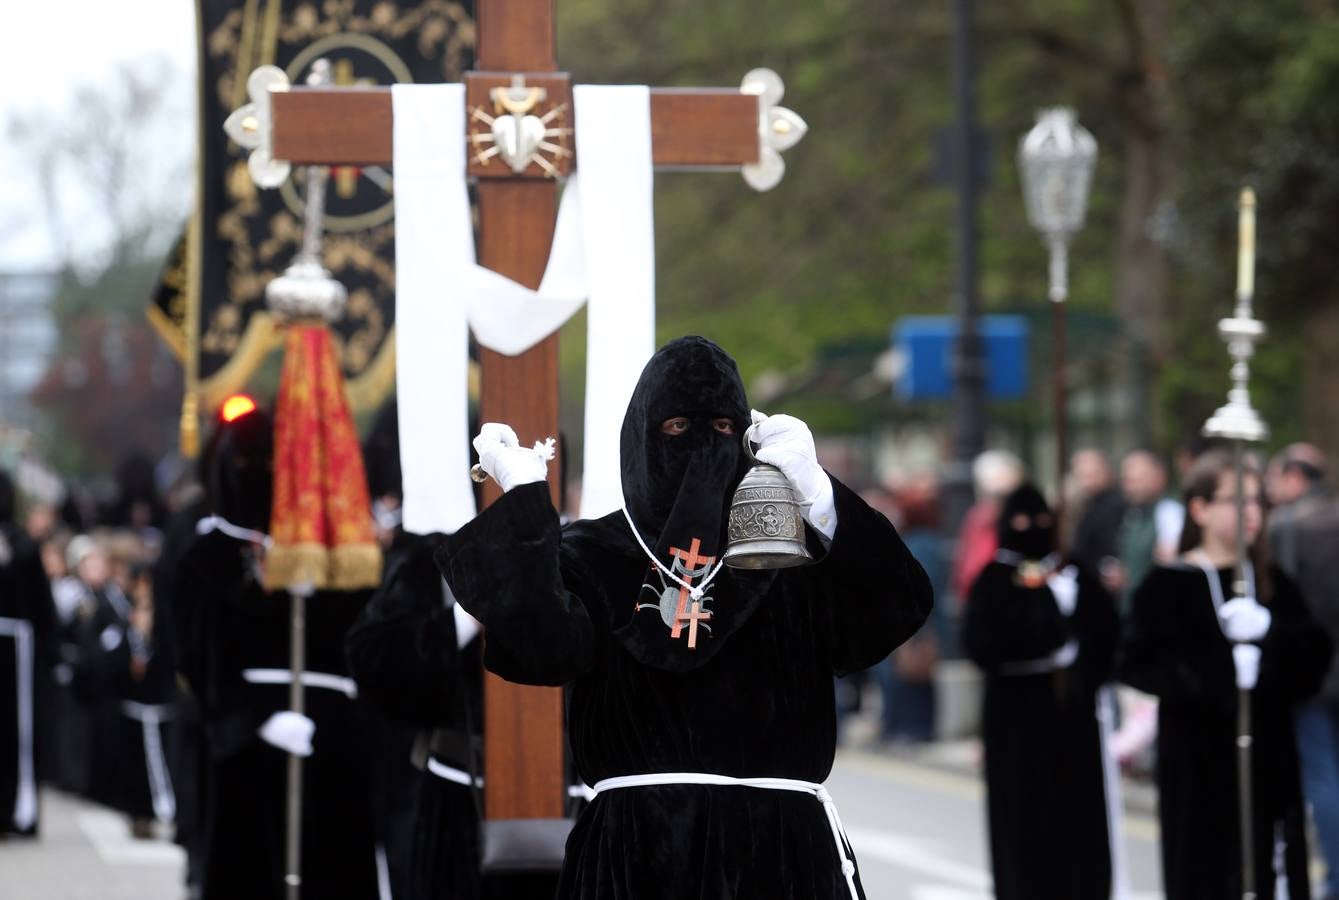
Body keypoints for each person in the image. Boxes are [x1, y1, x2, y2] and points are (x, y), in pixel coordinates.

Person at [436, 336, 933, 899]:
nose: (701, 447)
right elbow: (541, 649)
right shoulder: (595, 553)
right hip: (637, 852)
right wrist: (525, 502)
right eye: (676, 428)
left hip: (781, 853)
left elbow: (895, 608)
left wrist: (816, 492)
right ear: (643, 440)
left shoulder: (785, 552)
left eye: (722, 429)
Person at [174, 403, 379, 900]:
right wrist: (255, 720)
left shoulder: (334, 549)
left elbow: (363, 632)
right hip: (255, 739)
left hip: (330, 733)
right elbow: (199, 659)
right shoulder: (208, 556)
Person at [1120, 450, 1333, 899]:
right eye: (1237, 500)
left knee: (1268, 871)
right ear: (1199, 508)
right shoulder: (1170, 583)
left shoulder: (1271, 579)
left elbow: (1314, 657)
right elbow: (1136, 661)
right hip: (1198, 764)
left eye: (1258, 501)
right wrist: (1211, 675)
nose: (1251, 512)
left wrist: (1272, 637)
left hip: (1269, 757)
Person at [962, 484, 1119, 899]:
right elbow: (982, 645)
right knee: (1023, 819)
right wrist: (1049, 615)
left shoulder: (1073, 569)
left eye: (1041, 520)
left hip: (1071, 712)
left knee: (1078, 818)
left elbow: (1110, 636)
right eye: (1022, 521)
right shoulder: (994, 579)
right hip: (1016, 719)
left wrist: (1079, 618)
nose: (1032, 529)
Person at [1267, 443, 1339, 898]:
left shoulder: (1286, 526)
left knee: (1321, 779)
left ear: (1294, 477)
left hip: (1312, 674)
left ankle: (1335, 878)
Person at [0, 470, 55, 836]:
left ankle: (17, 808)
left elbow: (40, 607)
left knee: (16, 730)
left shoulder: (22, 544)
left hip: (16, 646)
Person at [1067, 448, 1125, 577]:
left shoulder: (1114, 504)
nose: (1086, 482)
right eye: (1081, 476)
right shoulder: (1087, 504)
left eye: (1091, 475)